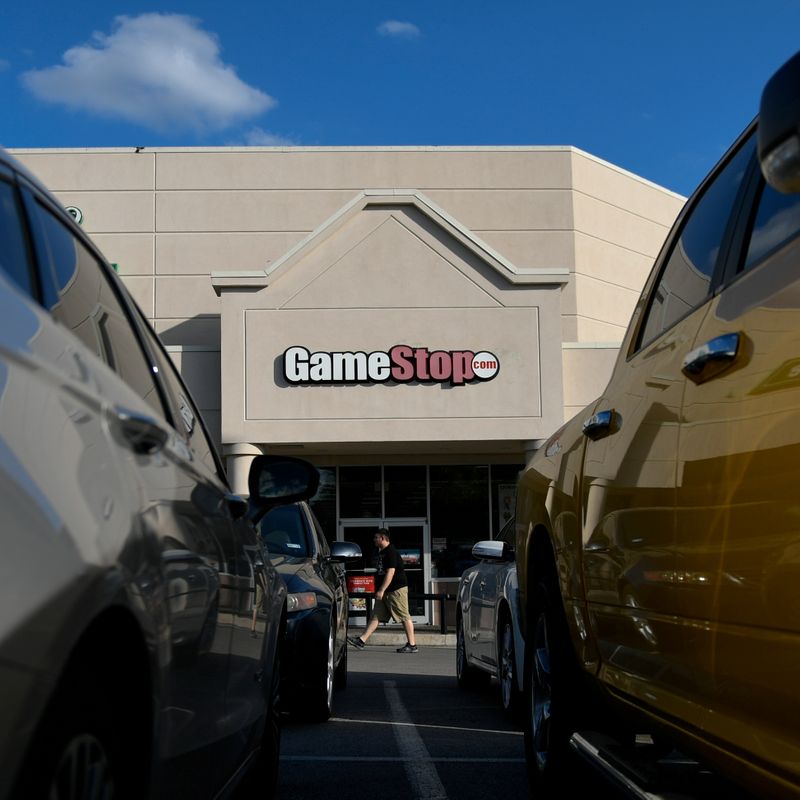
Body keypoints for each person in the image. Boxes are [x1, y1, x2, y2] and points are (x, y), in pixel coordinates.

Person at [347, 528, 418, 653]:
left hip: (396, 590)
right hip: (386, 591)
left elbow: (391, 572)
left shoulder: (391, 551)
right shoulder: (382, 552)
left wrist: (381, 590)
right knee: (376, 616)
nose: (374, 540)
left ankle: (412, 645)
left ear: (383, 538)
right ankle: (361, 641)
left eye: (376, 537)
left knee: (404, 615)